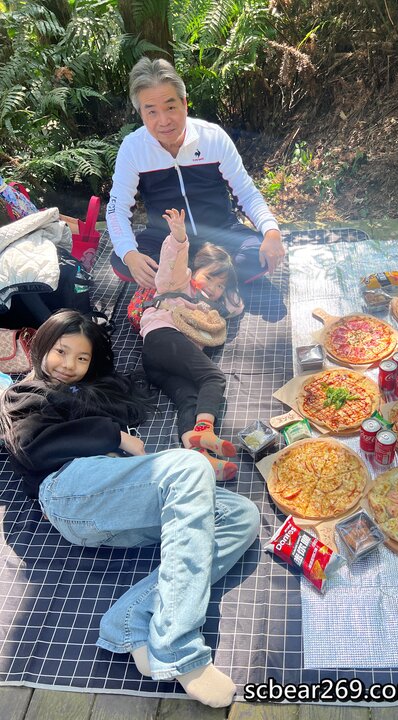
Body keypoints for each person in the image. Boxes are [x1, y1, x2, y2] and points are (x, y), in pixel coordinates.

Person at [0, 309, 259, 708]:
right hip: (67, 491)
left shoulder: (92, 393)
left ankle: (131, 619)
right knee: (186, 466)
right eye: (60, 351)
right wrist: (114, 435)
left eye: (82, 357)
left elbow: (173, 389)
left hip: (111, 505)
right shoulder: (24, 393)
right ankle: (179, 648)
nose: (69, 365)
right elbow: (33, 448)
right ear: (41, 347)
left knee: (241, 515)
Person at [107, 56, 286, 288]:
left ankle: (182, 282)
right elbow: (116, 208)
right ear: (140, 113)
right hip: (166, 240)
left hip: (220, 231)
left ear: (184, 103)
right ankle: (211, 282)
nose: (163, 121)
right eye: (151, 112)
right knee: (122, 261)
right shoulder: (133, 149)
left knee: (257, 255)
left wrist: (272, 232)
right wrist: (129, 253)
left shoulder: (212, 137)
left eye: (170, 107)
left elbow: (246, 193)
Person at [141, 207, 242, 481]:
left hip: (160, 365)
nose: (213, 288)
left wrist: (226, 284)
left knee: (189, 399)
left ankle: (201, 459)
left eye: (220, 286)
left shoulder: (209, 305)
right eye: (209, 277)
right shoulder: (178, 283)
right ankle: (205, 430)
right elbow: (171, 264)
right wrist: (179, 240)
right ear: (194, 269)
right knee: (213, 377)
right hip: (163, 336)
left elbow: (235, 306)